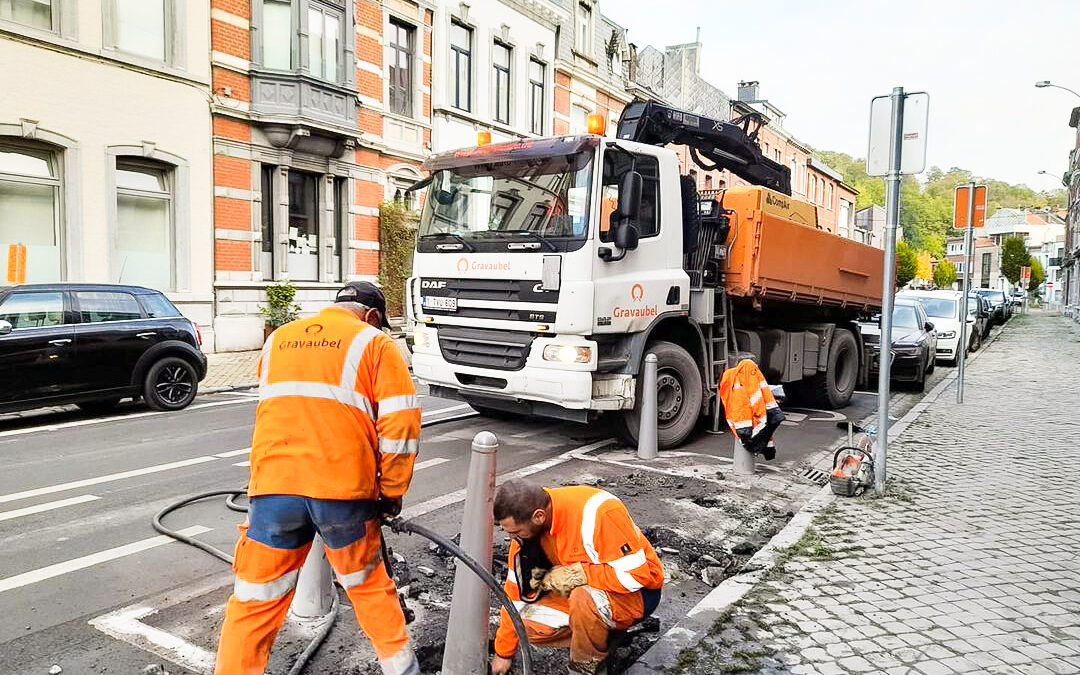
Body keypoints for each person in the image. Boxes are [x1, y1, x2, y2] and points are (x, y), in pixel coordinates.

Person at [214, 282, 421, 675]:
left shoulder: (279, 340)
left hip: (273, 487)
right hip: (342, 491)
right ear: (373, 316)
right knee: (369, 587)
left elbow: (282, 407)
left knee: (255, 600)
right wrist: (391, 492)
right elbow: (400, 428)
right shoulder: (376, 344)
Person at [490, 480, 665, 675]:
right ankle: (600, 636)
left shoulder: (599, 513)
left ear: (538, 516)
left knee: (583, 598)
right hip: (580, 597)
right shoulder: (525, 534)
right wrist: (503, 653)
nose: (512, 537)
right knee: (527, 627)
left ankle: (585, 667)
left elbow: (637, 576)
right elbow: (514, 593)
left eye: (515, 531)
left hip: (638, 595)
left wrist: (579, 574)